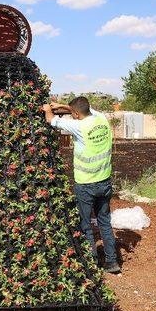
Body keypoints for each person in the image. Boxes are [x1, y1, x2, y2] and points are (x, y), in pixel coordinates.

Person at [42, 97, 120, 274]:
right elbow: (84, 110)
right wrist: (63, 106)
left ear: (76, 114)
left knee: (85, 225)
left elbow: (51, 120)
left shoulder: (78, 126)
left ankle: (91, 264)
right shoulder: (101, 118)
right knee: (105, 223)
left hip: (86, 185)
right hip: (105, 182)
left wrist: (47, 108)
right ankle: (112, 262)